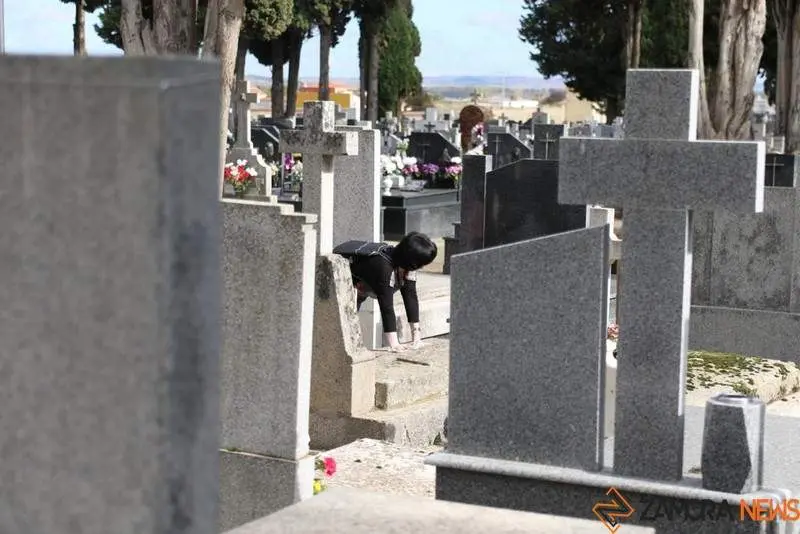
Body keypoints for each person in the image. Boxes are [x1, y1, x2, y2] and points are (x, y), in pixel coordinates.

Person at [333, 232, 438, 352]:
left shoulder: (407, 266)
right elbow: (386, 306)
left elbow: (411, 297)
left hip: (361, 291)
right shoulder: (383, 267)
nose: (421, 267)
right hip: (344, 286)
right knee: (343, 326)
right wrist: (394, 344)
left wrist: (417, 338)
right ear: (412, 261)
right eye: (421, 264)